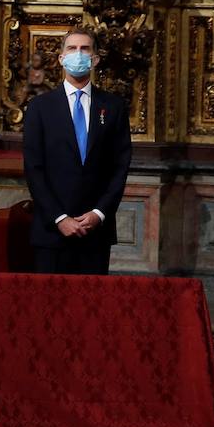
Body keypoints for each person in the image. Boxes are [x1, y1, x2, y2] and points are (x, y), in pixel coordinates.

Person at [21, 27, 132, 275]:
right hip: (51, 231)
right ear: (61, 58)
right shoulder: (40, 107)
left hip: (95, 232)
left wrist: (99, 213)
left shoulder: (113, 107)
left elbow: (120, 167)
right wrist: (60, 218)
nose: (78, 54)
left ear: (95, 59)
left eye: (85, 49)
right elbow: (34, 169)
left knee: (91, 309)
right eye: (72, 48)